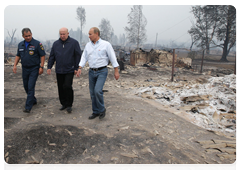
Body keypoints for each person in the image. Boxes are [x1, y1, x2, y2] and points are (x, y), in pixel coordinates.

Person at [77, 27, 120, 119]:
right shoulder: (88, 46)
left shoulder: (106, 45)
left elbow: (112, 58)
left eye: (90, 34)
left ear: (97, 34)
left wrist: (116, 71)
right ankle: (95, 111)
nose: (89, 36)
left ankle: (101, 109)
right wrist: (80, 67)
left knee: (97, 90)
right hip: (92, 71)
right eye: (88, 34)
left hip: (102, 71)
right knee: (92, 93)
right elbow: (84, 57)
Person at [47, 27, 82, 113]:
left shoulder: (74, 43)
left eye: (64, 34)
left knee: (67, 86)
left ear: (68, 33)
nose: (62, 36)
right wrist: (49, 67)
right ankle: (63, 103)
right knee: (60, 87)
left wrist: (77, 68)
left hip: (70, 69)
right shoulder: (56, 44)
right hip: (59, 69)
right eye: (61, 34)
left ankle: (69, 104)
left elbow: (78, 56)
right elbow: (52, 56)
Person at [13, 28, 46, 113]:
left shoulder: (37, 44)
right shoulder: (20, 44)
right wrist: (14, 65)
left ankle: (28, 107)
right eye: (26, 36)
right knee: (26, 86)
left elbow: (42, 55)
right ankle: (33, 100)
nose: (28, 37)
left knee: (31, 86)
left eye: (29, 35)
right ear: (23, 36)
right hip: (25, 68)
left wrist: (41, 67)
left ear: (31, 34)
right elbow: (18, 55)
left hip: (34, 68)